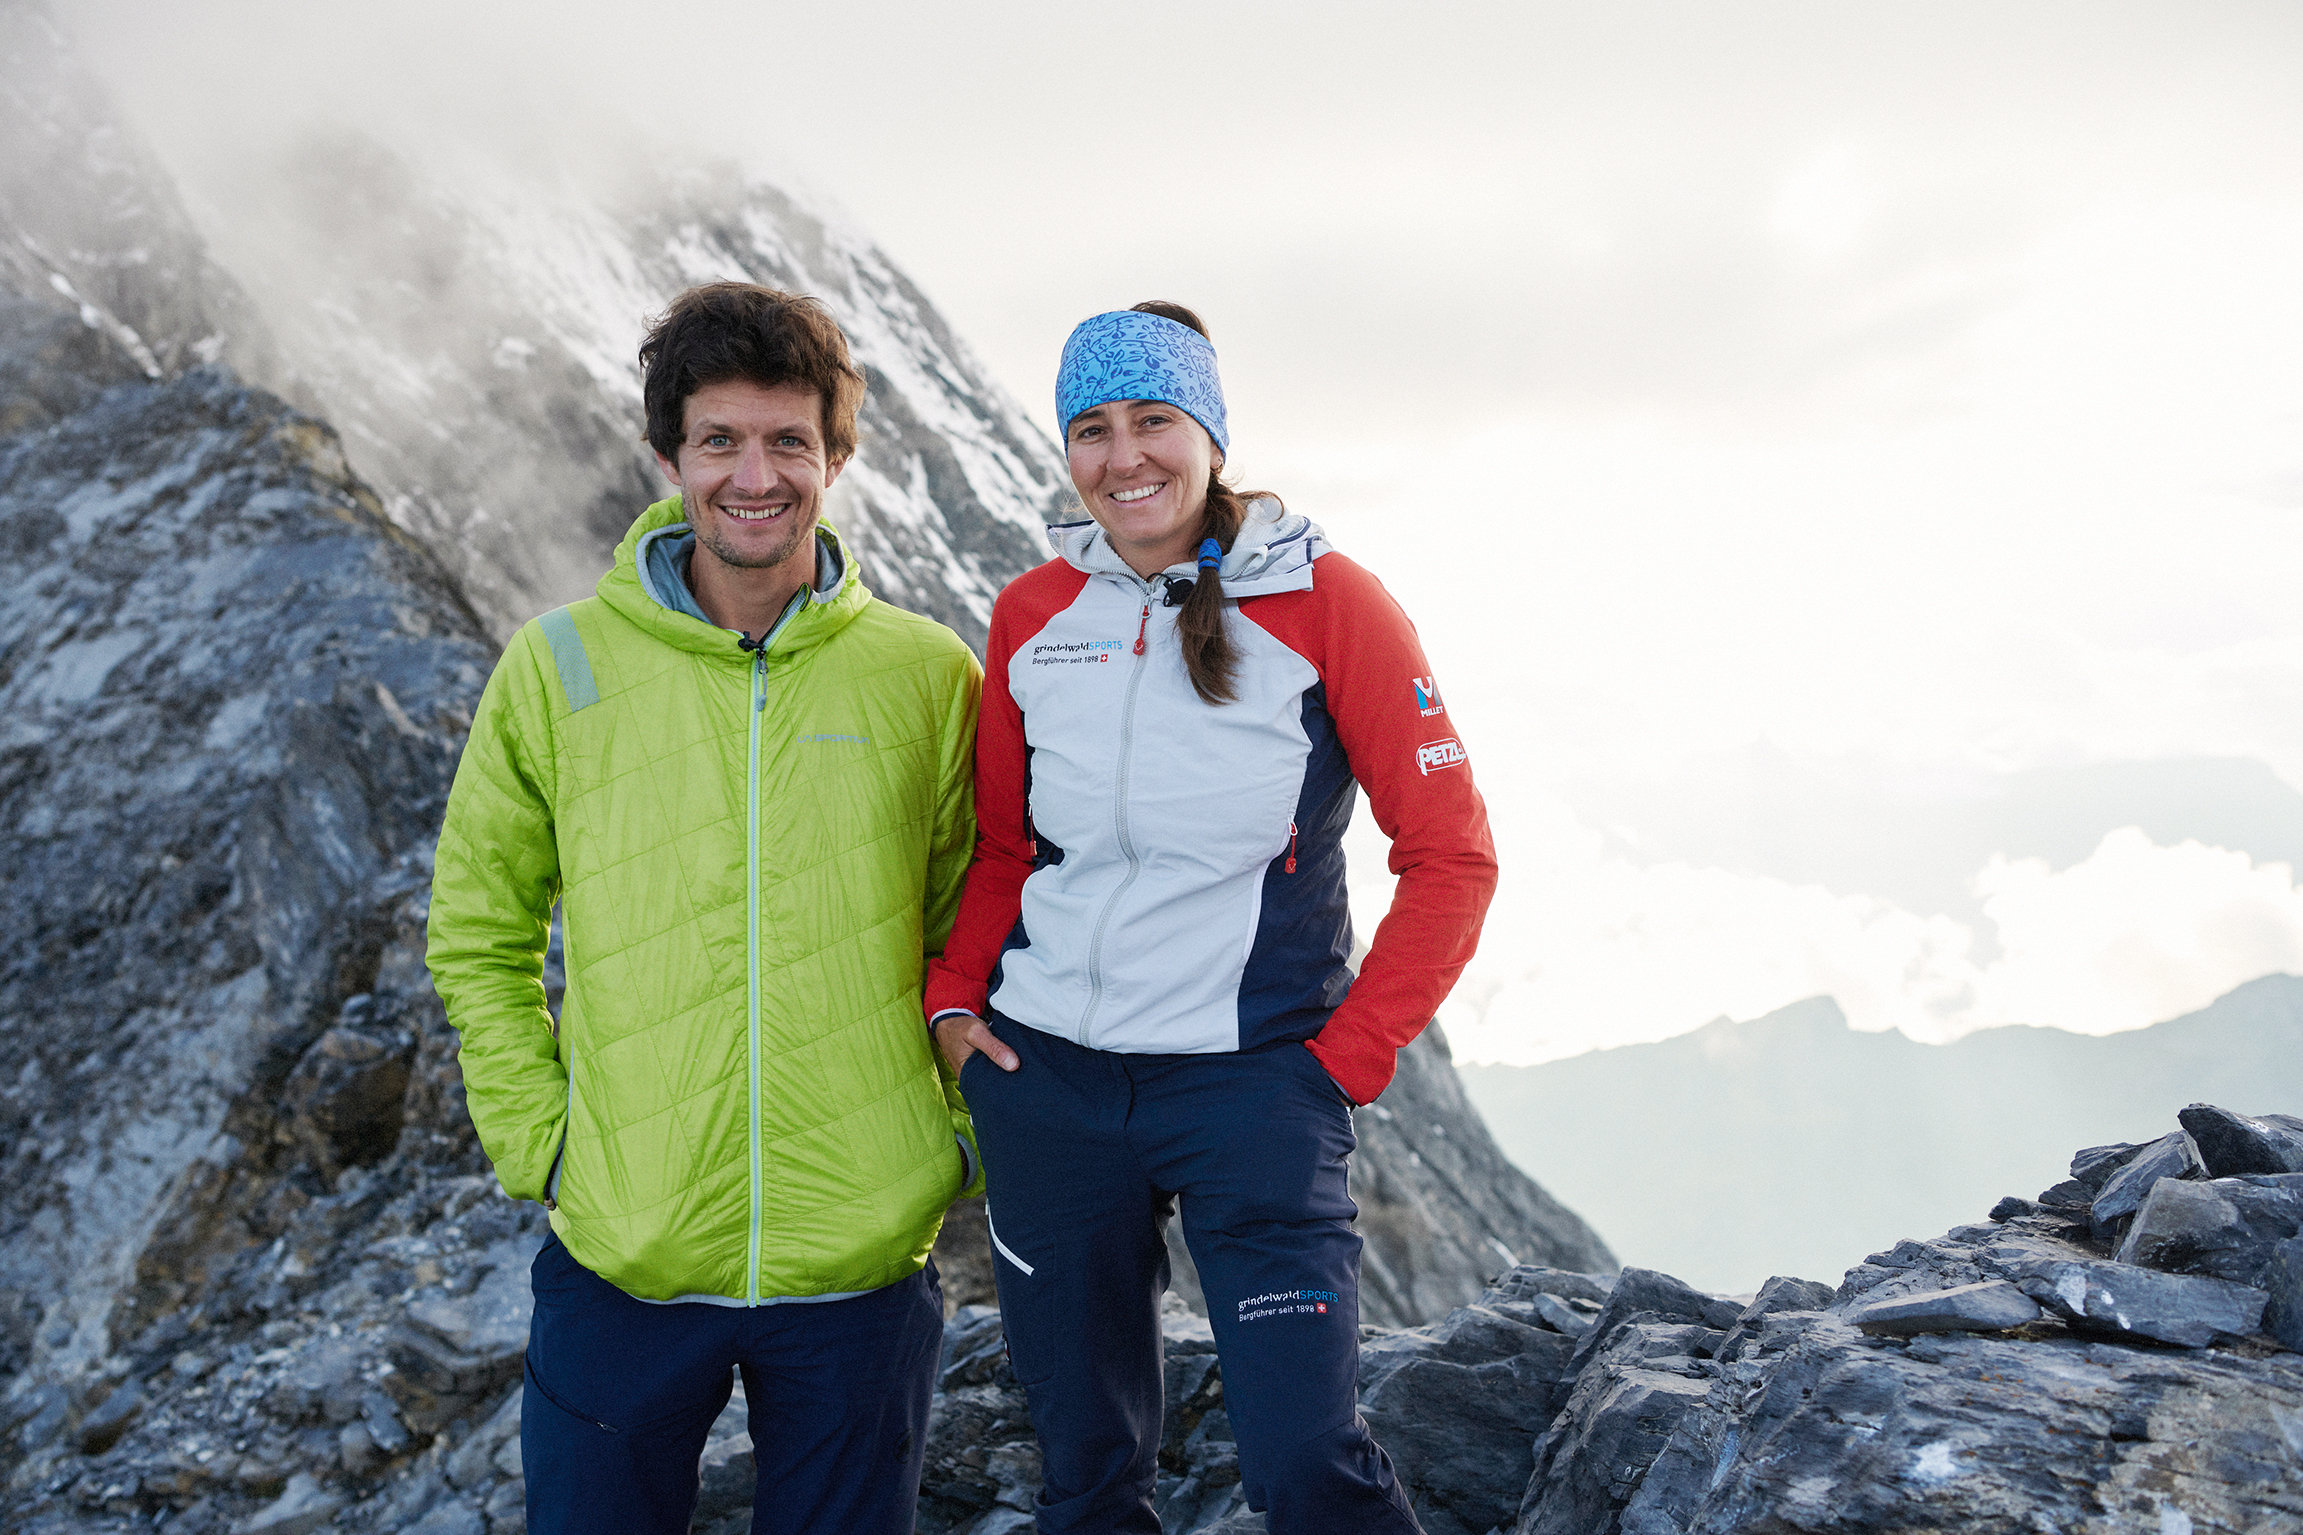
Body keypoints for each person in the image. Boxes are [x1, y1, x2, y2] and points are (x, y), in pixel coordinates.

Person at [924, 302, 1498, 1535]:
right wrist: (954, 1002)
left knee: (1304, 1463)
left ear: (1210, 434)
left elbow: (1450, 855)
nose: (1124, 456)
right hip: (1050, 1085)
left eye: (1153, 421)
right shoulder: (1033, 612)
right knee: (1083, 1469)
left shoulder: (1328, 603)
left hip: (1250, 1089)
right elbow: (1007, 846)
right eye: (1091, 428)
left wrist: (1340, 1060)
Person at [427, 282, 984, 1535]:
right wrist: (545, 1142)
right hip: (621, 1253)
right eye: (719, 439)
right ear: (668, 454)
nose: (754, 473)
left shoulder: (927, 673)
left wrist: (949, 1140)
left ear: (836, 457)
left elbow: (981, 923)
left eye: (789, 440)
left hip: (860, 1263)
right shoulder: (559, 664)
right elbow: (477, 924)